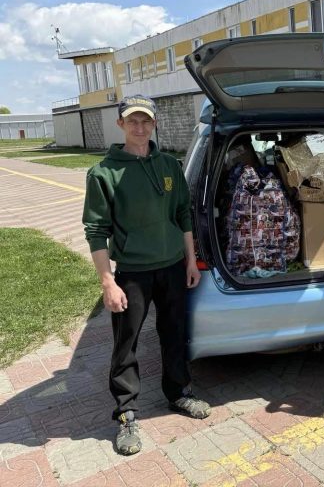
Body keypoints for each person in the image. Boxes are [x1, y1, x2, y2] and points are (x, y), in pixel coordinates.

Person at [82, 95, 211, 456]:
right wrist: (108, 282)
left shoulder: (169, 165)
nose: (140, 127)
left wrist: (190, 261)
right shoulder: (104, 173)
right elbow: (96, 230)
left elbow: (183, 215)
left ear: (154, 124)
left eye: (146, 121)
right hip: (133, 272)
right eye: (132, 121)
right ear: (121, 124)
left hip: (172, 266)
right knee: (127, 343)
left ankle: (179, 393)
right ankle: (125, 414)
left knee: (174, 333)